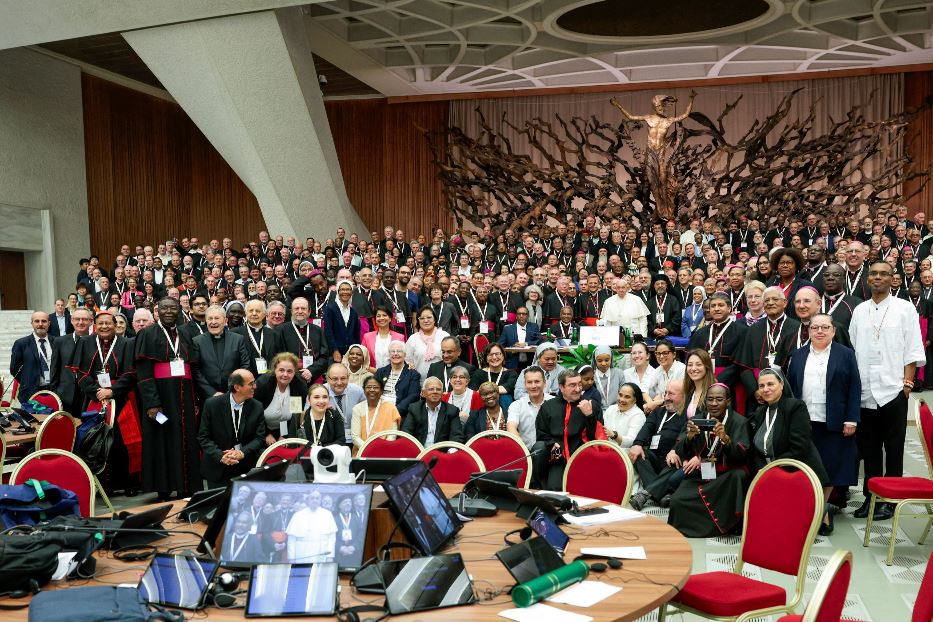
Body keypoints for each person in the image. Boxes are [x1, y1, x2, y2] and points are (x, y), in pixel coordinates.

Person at [849, 260, 926, 520]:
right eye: (874, 274)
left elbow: (913, 348)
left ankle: (891, 500)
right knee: (869, 449)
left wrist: (907, 384)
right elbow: (852, 348)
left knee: (893, 448)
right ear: (868, 279)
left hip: (894, 389)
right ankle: (871, 498)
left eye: (883, 274)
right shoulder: (860, 310)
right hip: (866, 390)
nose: (878, 278)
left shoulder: (904, 309)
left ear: (893, 278)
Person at [787, 314, 861, 534]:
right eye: (815, 327)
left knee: (831, 466)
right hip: (805, 421)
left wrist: (851, 418)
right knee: (807, 467)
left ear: (833, 331)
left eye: (825, 327)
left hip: (835, 421)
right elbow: (791, 388)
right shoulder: (798, 355)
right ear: (808, 331)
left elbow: (854, 387)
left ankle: (821, 510)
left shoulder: (845, 355)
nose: (820, 331)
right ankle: (812, 508)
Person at [134, 297, 201, 500]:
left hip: (185, 396)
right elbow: (144, 373)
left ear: (179, 310)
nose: (169, 311)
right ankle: (163, 488)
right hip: (161, 396)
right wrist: (152, 402)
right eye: (165, 308)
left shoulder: (186, 333)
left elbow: (194, 367)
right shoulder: (147, 334)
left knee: (186, 440)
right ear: (158, 311)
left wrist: (196, 399)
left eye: (173, 307)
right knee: (161, 441)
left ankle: (185, 486)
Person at [667, 384, 750, 537]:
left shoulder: (739, 422)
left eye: (719, 399)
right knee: (677, 501)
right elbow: (679, 449)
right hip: (702, 473)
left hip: (726, 474)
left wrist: (726, 439)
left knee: (739, 476)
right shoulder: (696, 419)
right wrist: (690, 438)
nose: (713, 403)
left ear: (728, 401)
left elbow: (742, 454)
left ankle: (728, 526)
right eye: (710, 399)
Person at [72, 311, 138, 495]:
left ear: (115, 325)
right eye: (100, 323)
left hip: (122, 399)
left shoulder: (126, 343)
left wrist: (113, 391)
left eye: (108, 323)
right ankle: (100, 486)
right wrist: (97, 392)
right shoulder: (85, 343)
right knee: (95, 440)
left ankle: (127, 484)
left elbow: (131, 373)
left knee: (122, 442)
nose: (104, 326)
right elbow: (81, 373)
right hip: (94, 399)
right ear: (95, 325)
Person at [748, 367, 830, 485]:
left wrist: (772, 467)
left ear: (781, 384)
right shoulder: (760, 413)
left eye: (770, 384)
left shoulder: (795, 407)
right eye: (761, 386)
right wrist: (763, 468)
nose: (765, 389)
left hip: (797, 474)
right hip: (769, 474)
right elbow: (755, 450)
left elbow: (799, 448)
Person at [534, 369, 603, 490]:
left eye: (579, 384)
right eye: (572, 385)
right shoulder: (548, 407)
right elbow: (541, 434)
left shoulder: (591, 405)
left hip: (582, 456)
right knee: (556, 489)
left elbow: (596, 438)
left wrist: (589, 416)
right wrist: (551, 443)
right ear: (561, 387)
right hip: (557, 457)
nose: (578, 389)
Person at [198, 370, 267, 488]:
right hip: (218, 467)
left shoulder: (257, 406)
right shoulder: (212, 404)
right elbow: (203, 437)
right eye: (251, 384)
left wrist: (241, 452)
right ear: (237, 387)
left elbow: (260, 438)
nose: (255, 387)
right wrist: (221, 456)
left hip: (245, 467)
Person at [628, 379, 687, 511]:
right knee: (637, 454)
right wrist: (637, 444)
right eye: (665, 393)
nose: (666, 397)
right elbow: (647, 428)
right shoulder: (658, 412)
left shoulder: (686, 415)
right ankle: (661, 495)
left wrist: (675, 450)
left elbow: (684, 437)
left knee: (676, 461)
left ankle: (646, 494)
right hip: (655, 459)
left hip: (672, 462)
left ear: (684, 396)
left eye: (671, 394)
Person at [192, 305, 252, 404]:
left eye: (217, 318)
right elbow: (196, 370)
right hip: (208, 397)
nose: (213, 322)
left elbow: (245, 365)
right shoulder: (197, 341)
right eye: (210, 318)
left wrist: (235, 389)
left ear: (225, 321)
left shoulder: (238, 339)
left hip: (235, 394)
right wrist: (211, 392)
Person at [687, 292, 747, 388]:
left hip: (730, 383)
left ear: (729, 308)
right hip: (702, 380)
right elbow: (691, 358)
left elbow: (740, 363)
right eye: (713, 306)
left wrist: (718, 380)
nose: (716, 309)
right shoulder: (700, 333)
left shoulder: (741, 331)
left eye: (721, 305)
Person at [254, 352, 308, 443]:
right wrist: (266, 434)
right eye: (281, 370)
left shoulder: (299, 386)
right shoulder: (263, 384)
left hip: (285, 429)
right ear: (275, 370)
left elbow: (295, 415)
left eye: (289, 371)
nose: (285, 374)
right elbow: (254, 414)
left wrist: (284, 436)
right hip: (259, 430)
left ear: (295, 372)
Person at [50, 307, 92, 415]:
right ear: (72, 321)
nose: (80, 322)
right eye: (77, 319)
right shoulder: (60, 342)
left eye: (84, 319)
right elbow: (54, 368)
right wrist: (55, 393)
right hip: (65, 395)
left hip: (90, 395)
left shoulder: (97, 341)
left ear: (91, 321)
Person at [401, 376, 464, 445]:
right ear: (423, 393)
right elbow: (406, 433)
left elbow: (456, 436)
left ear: (442, 393)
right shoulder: (415, 409)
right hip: (419, 451)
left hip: (442, 452)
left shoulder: (452, 411)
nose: (435, 392)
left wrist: (451, 451)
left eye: (438, 389)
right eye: (431, 389)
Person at [10, 311, 55, 405]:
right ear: (32, 323)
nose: (40, 324)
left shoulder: (57, 342)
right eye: (37, 321)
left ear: (49, 323)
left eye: (44, 321)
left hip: (53, 390)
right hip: (30, 392)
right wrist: (27, 381)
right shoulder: (21, 344)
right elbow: (14, 369)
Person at [507, 366, 552, 455]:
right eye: (529, 382)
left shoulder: (554, 402)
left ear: (545, 383)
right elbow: (511, 428)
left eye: (537, 382)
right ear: (525, 384)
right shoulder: (517, 405)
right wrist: (523, 450)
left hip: (551, 453)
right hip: (526, 453)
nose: (533, 386)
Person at [350, 375, 401, 450]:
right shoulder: (357, 409)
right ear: (364, 390)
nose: (372, 390)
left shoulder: (391, 408)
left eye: (376, 387)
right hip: (361, 451)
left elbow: (392, 434)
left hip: (385, 450)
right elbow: (355, 437)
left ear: (382, 391)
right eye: (368, 387)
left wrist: (382, 448)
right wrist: (368, 449)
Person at [286, 490, 337, 562]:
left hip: (321, 552)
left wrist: (330, 556)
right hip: (302, 553)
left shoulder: (327, 514)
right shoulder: (298, 515)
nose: (315, 500)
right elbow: (291, 540)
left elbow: (331, 539)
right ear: (308, 500)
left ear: (320, 500)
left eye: (317, 498)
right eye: (312, 498)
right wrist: (291, 558)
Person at [233, 299, 278, 376]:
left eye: (258, 311)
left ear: (264, 314)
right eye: (251, 311)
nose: (254, 314)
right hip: (244, 380)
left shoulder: (274, 334)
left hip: (269, 378)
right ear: (246, 313)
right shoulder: (235, 333)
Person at [374, 341, 422, 414]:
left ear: (405, 355)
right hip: (379, 410)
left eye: (399, 351)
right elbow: (374, 390)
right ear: (389, 354)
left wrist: (396, 410)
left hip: (399, 412)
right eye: (392, 351)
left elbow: (414, 396)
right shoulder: (381, 372)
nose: (395, 354)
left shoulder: (412, 374)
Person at [405, 306, 449, 380]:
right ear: (418, 321)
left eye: (429, 317)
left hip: (442, 381)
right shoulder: (413, 338)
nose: (426, 320)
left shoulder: (444, 336)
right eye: (422, 318)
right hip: (419, 382)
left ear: (434, 319)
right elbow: (407, 360)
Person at [325, 363, 365, 445]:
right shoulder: (318, 393)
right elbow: (307, 416)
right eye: (335, 379)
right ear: (328, 379)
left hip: (354, 440)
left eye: (343, 378)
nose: (339, 383)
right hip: (329, 441)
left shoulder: (358, 391)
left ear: (348, 378)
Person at [769, 247, 813, 319]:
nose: (785, 265)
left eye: (789, 262)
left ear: (796, 266)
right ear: (777, 266)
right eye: (781, 263)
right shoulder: (772, 287)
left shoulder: (805, 286)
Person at [469, 342, 517, 408]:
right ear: (486, 358)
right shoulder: (478, 373)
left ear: (503, 356)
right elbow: (473, 393)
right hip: (483, 409)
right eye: (490, 355)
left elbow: (507, 388)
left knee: (505, 397)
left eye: (497, 354)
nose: (494, 357)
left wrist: (484, 392)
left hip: (503, 409)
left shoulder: (511, 374)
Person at [645, 339, 685, 413]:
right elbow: (645, 388)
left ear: (674, 354)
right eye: (658, 353)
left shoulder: (682, 369)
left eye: (665, 353)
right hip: (664, 407)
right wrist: (650, 403)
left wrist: (655, 403)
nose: (661, 356)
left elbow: (680, 396)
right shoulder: (658, 370)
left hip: (679, 409)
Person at [323, 280, 361, 358]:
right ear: (338, 291)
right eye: (342, 289)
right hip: (335, 353)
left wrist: (356, 351)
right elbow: (328, 331)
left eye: (348, 289)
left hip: (351, 354)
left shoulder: (354, 312)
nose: (345, 292)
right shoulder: (330, 308)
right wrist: (335, 350)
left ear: (351, 292)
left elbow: (356, 335)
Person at [602, 383, 647, 448]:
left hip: (625, 454)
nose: (622, 399)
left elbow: (632, 441)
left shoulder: (638, 415)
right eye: (620, 395)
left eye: (627, 397)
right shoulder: (611, 409)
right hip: (605, 448)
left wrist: (614, 435)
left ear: (635, 400)